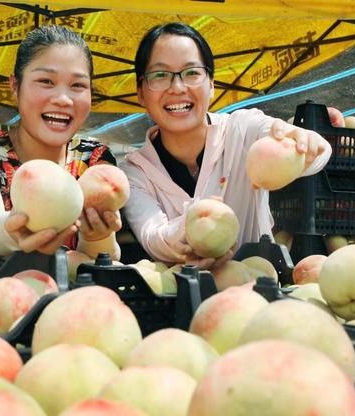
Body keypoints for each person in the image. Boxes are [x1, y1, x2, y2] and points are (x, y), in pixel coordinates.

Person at [120, 22, 332, 269]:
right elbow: (153, 234)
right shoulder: (135, 170)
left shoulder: (241, 130)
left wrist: (305, 145)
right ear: (141, 93)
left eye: (191, 73)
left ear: (211, 85)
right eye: (160, 75)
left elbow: (312, 152)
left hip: (258, 290)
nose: (177, 87)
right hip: (179, 298)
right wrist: (195, 229)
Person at [0, 25, 121, 277]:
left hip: (74, 310)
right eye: (45, 81)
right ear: (15, 85)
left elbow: (101, 261)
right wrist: (10, 231)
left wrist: (99, 237)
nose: (63, 98)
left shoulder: (93, 160)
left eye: (77, 85)